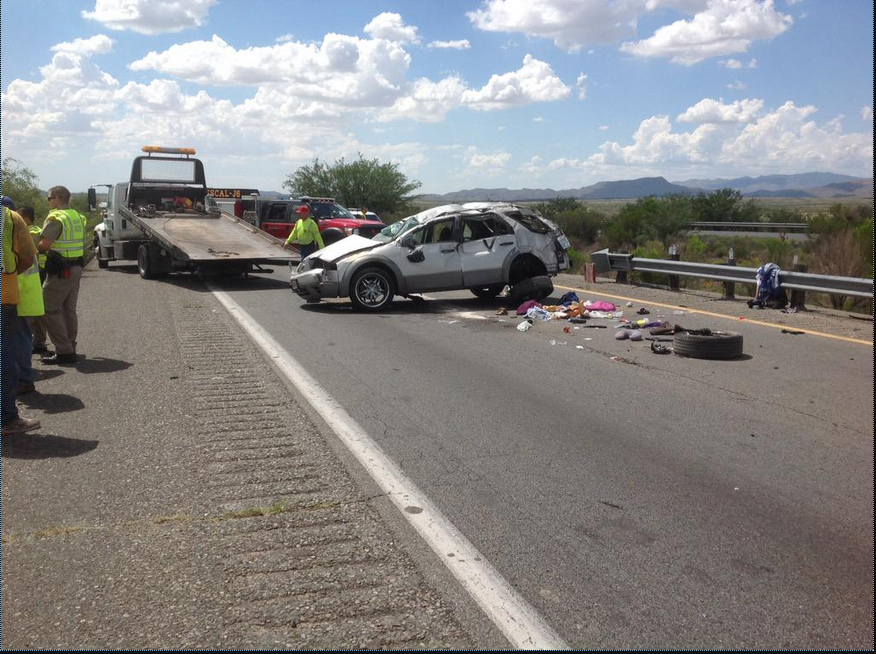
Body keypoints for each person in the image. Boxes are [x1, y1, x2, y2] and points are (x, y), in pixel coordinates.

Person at [2, 200, 41, 435]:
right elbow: (27, 258)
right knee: (4, 352)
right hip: (3, 293)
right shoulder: (9, 218)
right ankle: (6, 418)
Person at [37, 186, 86, 365]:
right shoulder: (77, 216)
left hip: (61, 270)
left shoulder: (56, 218)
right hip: (76, 267)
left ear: (58, 198)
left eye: (49, 198)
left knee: (49, 308)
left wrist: (36, 245)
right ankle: (70, 346)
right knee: (68, 309)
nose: (48, 201)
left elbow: (45, 244)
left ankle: (64, 351)